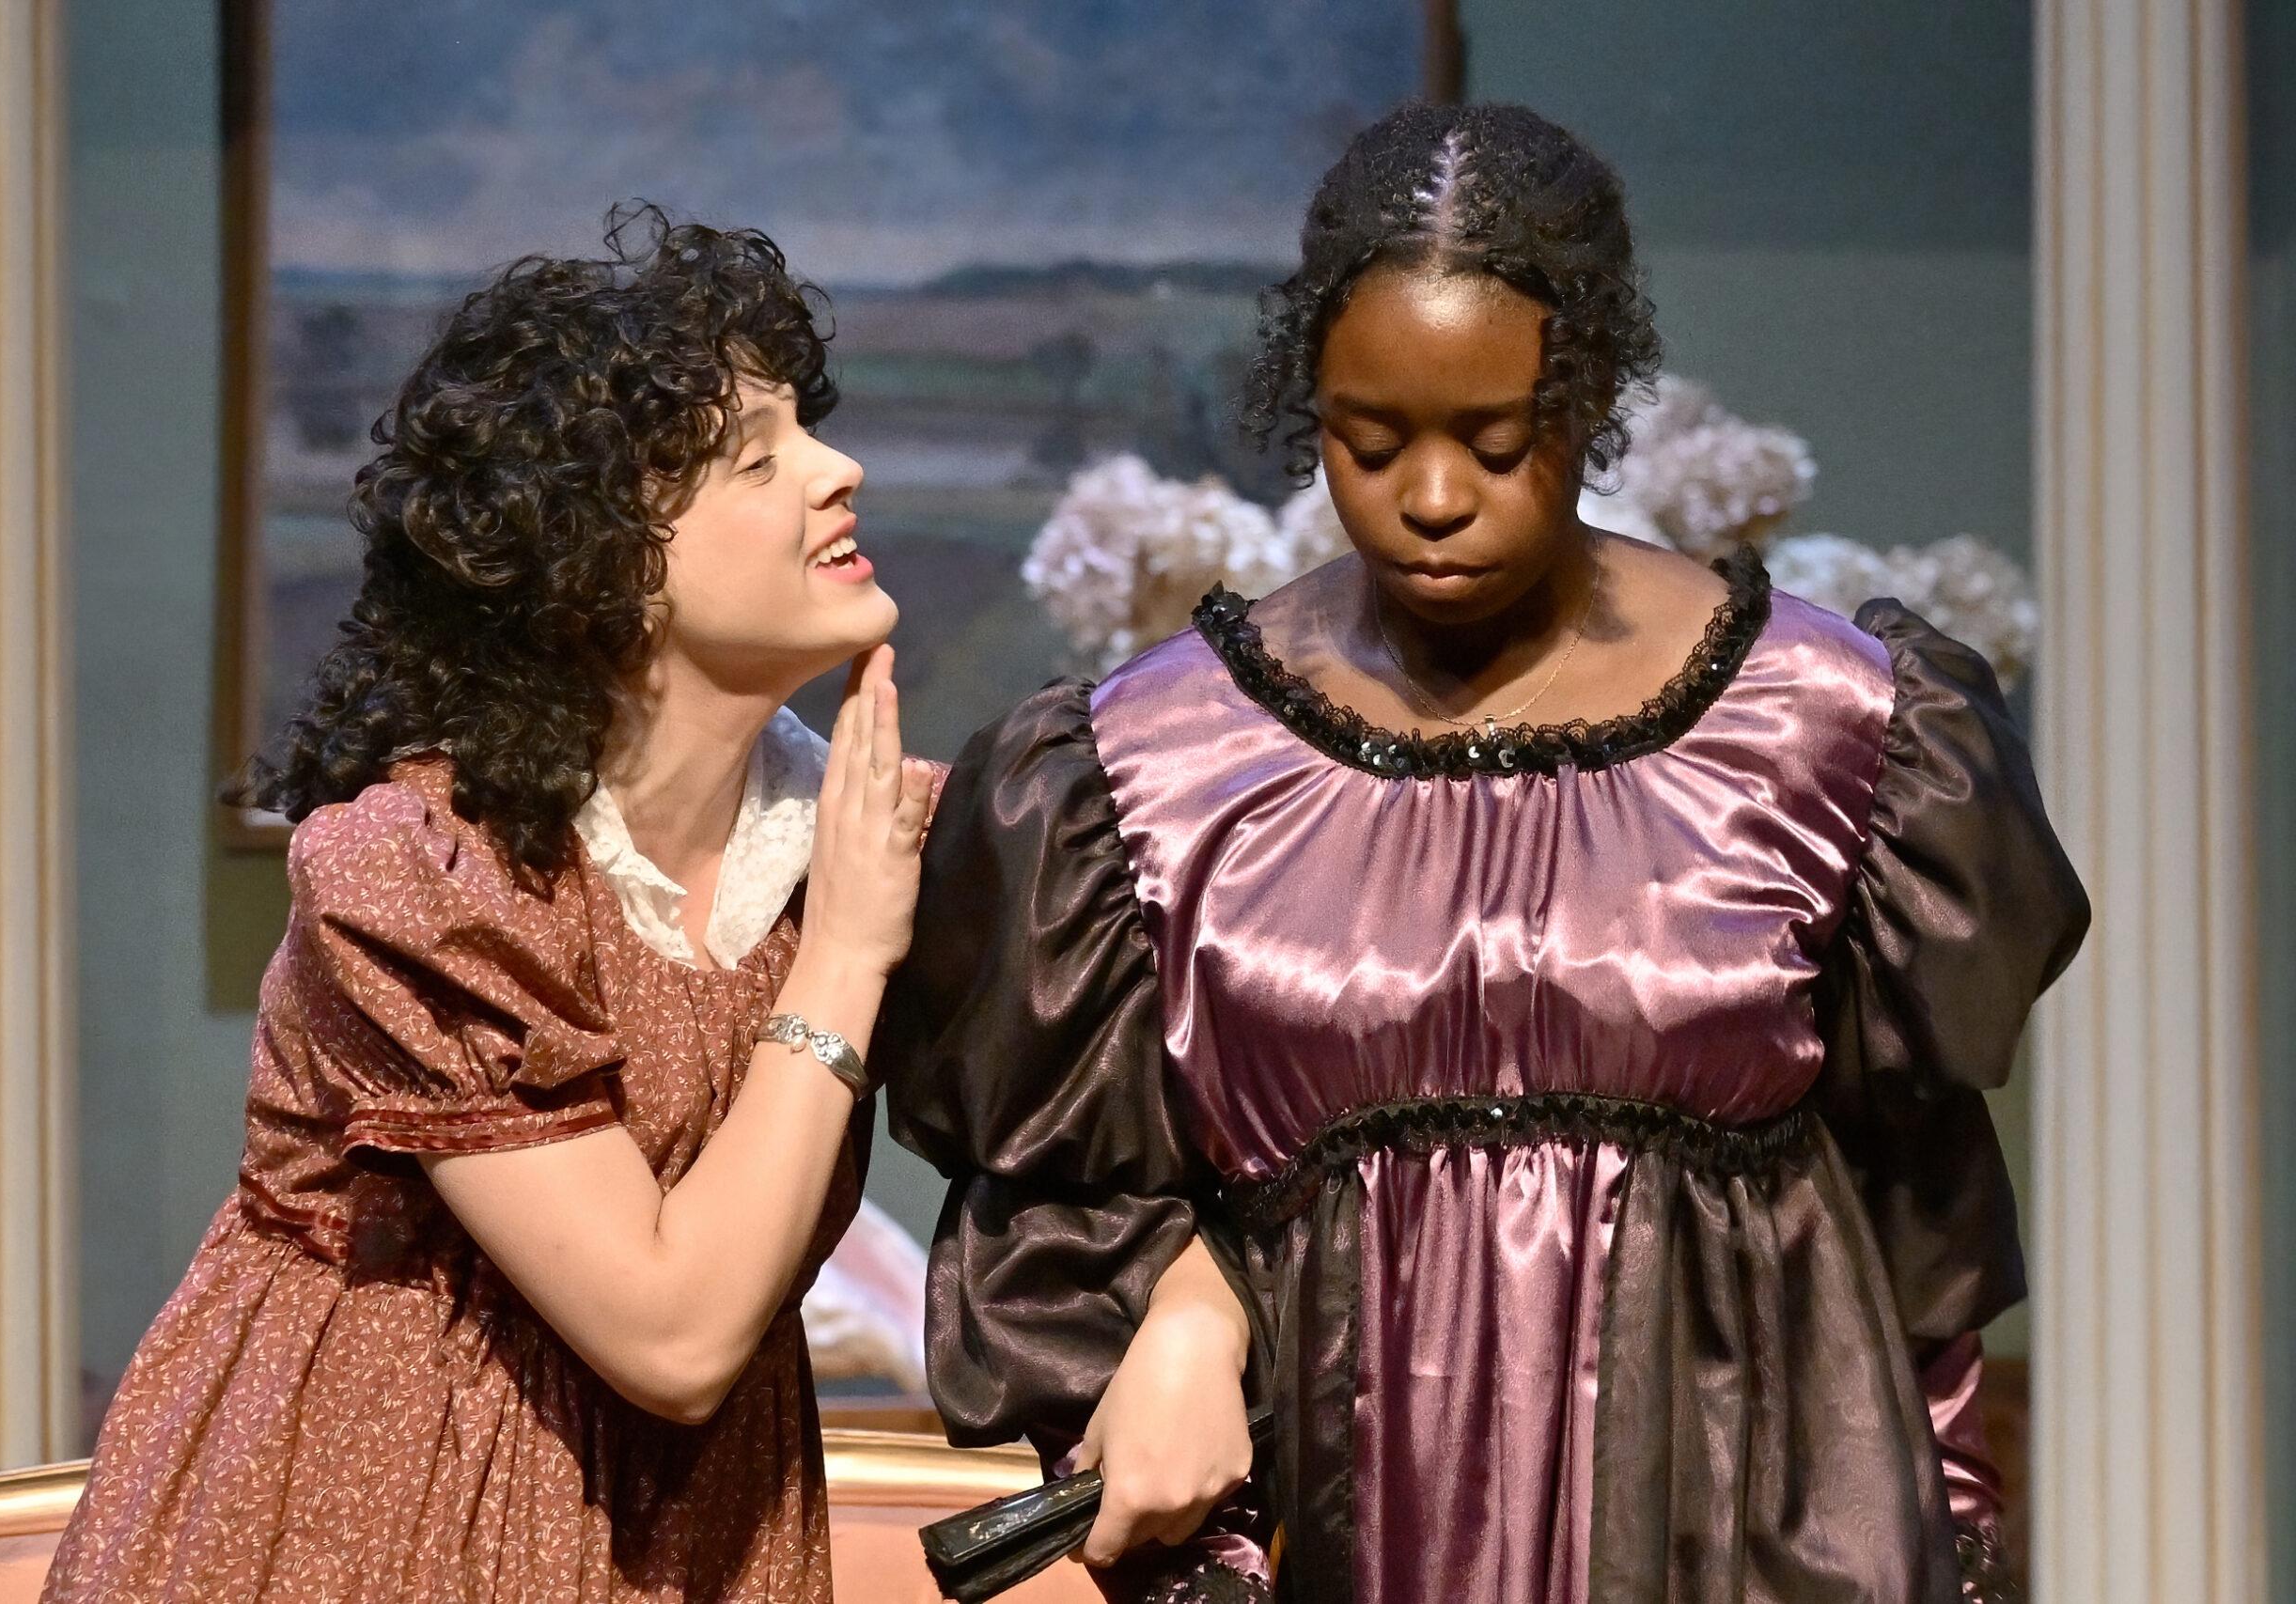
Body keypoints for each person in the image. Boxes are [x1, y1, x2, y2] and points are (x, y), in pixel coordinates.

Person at [877, 103, 2084, 1604]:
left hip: (1753, 1542)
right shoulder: (1145, 771)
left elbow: (1916, 1213)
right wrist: (1183, 1307)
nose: (1434, 498)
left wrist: (1953, 1532)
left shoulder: (1830, 729)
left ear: (1588, 399)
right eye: (1369, 442)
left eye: (1497, 442)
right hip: (1358, 1538)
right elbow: (1064, 1206)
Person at [42, 210, 935, 1603]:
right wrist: (847, 955)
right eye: (759, 458)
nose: (841, 470)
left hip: (701, 1539)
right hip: (370, 1534)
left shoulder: (855, 843)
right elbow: (673, 1335)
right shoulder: (421, 877)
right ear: (604, 564)